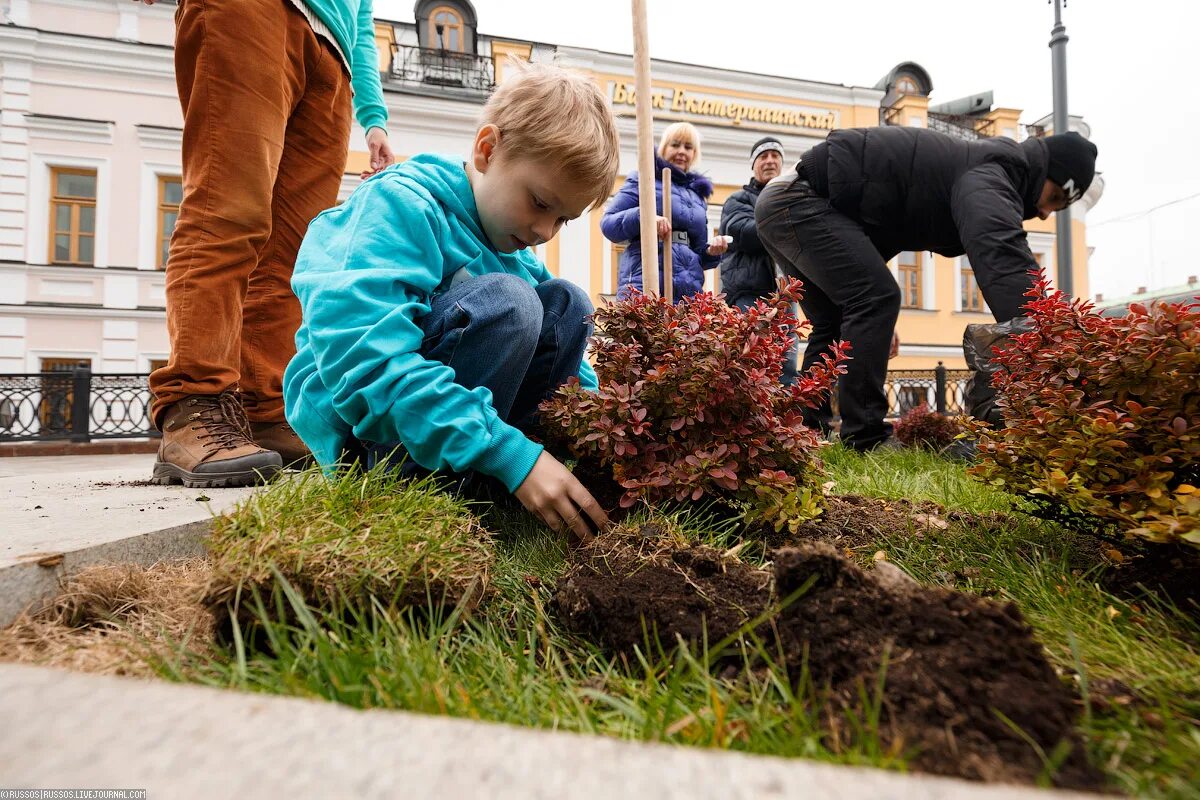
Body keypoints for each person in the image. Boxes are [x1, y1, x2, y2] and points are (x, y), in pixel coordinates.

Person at [282, 60, 620, 543]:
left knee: (567, 303)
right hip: (370, 440)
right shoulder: (397, 208)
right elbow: (366, 368)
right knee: (513, 303)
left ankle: (494, 485)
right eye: (541, 203)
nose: (544, 232)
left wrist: (610, 432)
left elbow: (576, 374)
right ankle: (423, 486)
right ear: (487, 150)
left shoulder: (513, 254)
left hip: (458, 430)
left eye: (563, 220)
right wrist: (509, 453)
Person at [145, 0, 395, 487]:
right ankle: (191, 408)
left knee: (293, 255)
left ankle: (264, 410)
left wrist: (373, 114)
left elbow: (362, 18)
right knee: (226, 209)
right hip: (251, 10)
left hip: (333, 58)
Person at [755, 127, 1098, 451]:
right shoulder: (994, 172)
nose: (1043, 214)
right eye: (1053, 198)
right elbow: (1002, 254)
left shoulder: (980, 166)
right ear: (1043, 172)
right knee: (875, 297)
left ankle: (802, 433)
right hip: (799, 200)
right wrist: (1049, 339)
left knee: (834, 321)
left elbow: (869, 230)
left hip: (785, 202)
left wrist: (873, 326)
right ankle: (866, 439)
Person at [600, 122, 728, 299]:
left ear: (694, 154)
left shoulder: (697, 196)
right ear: (663, 148)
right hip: (644, 280)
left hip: (687, 290)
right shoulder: (644, 179)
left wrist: (711, 252)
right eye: (675, 145)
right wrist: (645, 217)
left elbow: (698, 253)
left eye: (688, 147)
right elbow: (609, 224)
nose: (682, 151)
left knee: (683, 327)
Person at [717, 136, 797, 385]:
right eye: (763, 156)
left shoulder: (791, 198)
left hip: (785, 295)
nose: (770, 161)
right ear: (753, 165)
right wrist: (783, 224)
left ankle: (782, 421)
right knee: (746, 360)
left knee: (786, 364)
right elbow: (739, 231)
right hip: (748, 295)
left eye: (775, 156)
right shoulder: (738, 200)